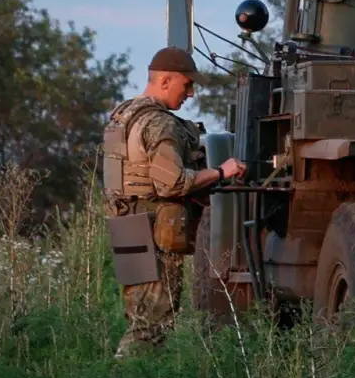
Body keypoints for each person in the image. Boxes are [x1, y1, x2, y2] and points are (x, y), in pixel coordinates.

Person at [101, 46, 246, 358]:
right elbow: (173, 183)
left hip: (127, 226)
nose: (191, 94)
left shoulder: (122, 116)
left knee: (140, 315)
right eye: (187, 84)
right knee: (152, 326)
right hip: (153, 231)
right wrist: (221, 171)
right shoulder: (160, 124)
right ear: (165, 80)